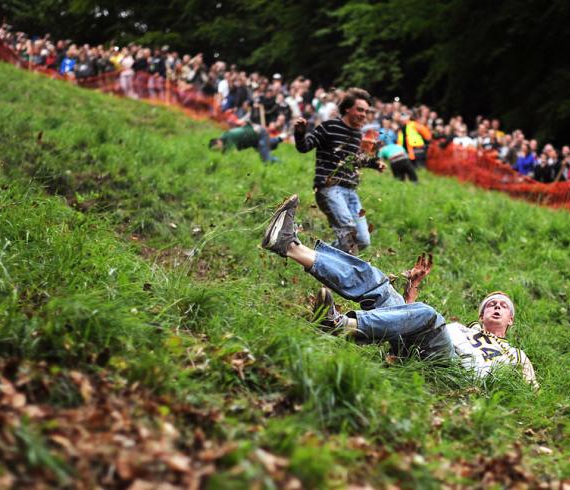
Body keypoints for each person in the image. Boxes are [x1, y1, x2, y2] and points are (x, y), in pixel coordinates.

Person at [261, 195, 539, 388]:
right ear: (480, 314)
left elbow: (531, 391)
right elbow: (406, 317)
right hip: (423, 351)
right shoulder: (458, 330)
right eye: (491, 304)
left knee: (429, 314)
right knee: (379, 285)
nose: (497, 306)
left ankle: (343, 325)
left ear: (511, 320)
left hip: (454, 371)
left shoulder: (517, 355)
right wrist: (413, 287)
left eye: (503, 305)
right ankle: (289, 246)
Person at [293, 88, 385, 255]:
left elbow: (353, 161)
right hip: (329, 188)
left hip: (351, 192)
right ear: (348, 108)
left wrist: (374, 164)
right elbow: (304, 147)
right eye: (360, 109)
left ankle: (317, 255)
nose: (364, 114)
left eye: (366, 111)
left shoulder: (357, 134)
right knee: (348, 235)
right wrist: (300, 133)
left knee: (363, 240)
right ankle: (344, 277)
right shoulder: (329, 127)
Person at [208, 123, 282, 163]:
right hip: (254, 139)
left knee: (266, 160)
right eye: (216, 151)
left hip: (259, 134)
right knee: (264, 145)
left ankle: (281, 163)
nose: (218, 150)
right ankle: (278, 139)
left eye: (217, 149)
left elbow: (234, 155)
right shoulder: (224, 139)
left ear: (218, 141)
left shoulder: (228, 138)